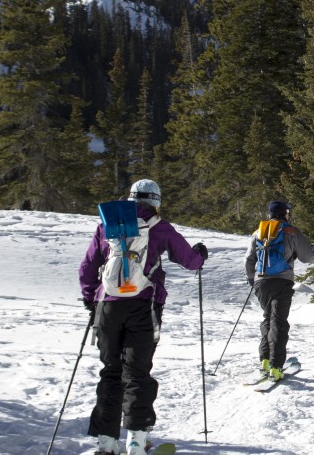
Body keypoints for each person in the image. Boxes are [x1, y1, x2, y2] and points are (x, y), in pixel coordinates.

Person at [79, 179, 207, 455]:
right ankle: (136, 441)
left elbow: (88, 266)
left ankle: (106, 443)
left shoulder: (107, 226)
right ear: (156, 202)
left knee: (110, 372)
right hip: (144, 307)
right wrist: (200, 255)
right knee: (137, 373)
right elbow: (190, 261)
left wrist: (91, 300)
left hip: (107, 307)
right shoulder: (159, 227)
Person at [245, 200, 314, 381]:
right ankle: (276, 367)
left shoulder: (258, 232)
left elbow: (249, 259)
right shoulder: (290, 231)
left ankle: (264, 361)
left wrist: (251, 279)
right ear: (284, 213)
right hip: (282, 281)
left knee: (268, 319)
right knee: (279, 322)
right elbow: (307, 257)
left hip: (261, 283)